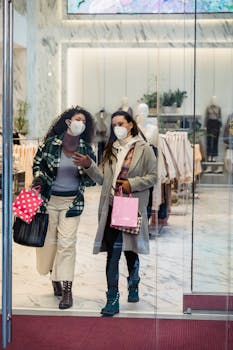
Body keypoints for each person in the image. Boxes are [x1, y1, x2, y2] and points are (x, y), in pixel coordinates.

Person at [73, 110, 157, 316]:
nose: (116, 127)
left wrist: (131, 184)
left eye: (120, 123)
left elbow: (154, 177)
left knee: (130, 251)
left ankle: (134, 280)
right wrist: (89, 165)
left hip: (131, 206)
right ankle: (112, 298)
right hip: (111, 207)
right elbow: (102, 178)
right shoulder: (111, 149)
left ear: (130, 125)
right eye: (114, 125)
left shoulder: (144, 149)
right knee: (113, 253)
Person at [32, 106, 96, 310]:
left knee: (67, 245)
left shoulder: (86, 148)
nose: (81, 124)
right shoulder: (51, 144)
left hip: (72, 203)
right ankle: (54, 275)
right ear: (68, 122)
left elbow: (94, 179)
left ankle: (67, 290)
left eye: (85, 122)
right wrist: (39, 178)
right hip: (49, 201)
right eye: (78, 119)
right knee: (49, 243)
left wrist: (87, 166)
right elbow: (37, 165)